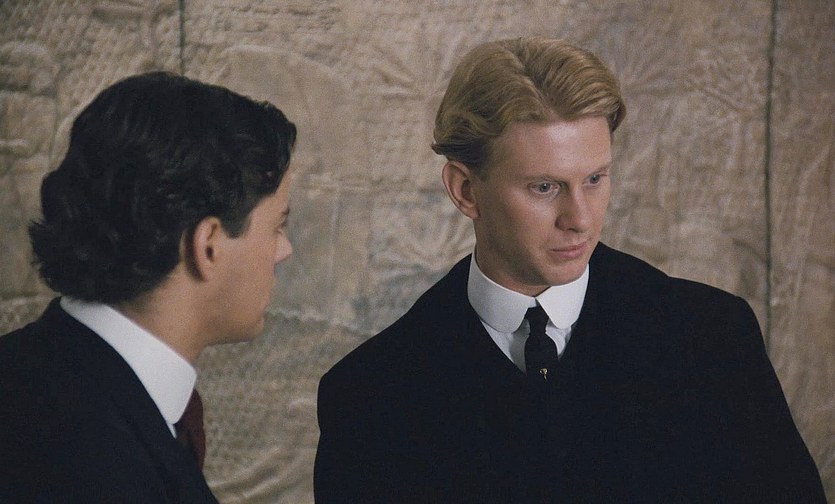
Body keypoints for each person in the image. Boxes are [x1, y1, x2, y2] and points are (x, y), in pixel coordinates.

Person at [314, 37, 826, 503]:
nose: (579, 219)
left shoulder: (713, 339)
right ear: (465, 190)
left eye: (595, 179)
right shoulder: (370, 395)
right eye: (545, 187)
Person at [0, 72, 297, 502]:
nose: (284, 250)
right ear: (208, 245)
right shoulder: (94, 466)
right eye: (277, 226)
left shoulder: (32, 375)